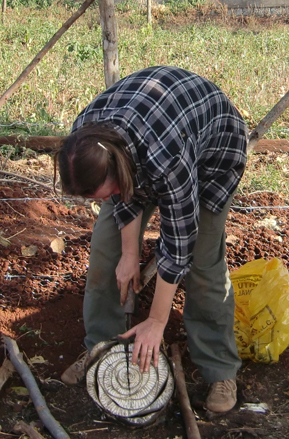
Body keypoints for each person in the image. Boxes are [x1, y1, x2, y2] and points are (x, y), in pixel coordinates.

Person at [54, 66, 247, 413]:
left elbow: (179, 240)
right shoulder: (83, 142)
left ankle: (219, 368)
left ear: (119, 171)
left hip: (211, 155)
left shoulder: (166, 156)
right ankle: (102, 350)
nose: (101, 199)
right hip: (149, 135)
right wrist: (128, 254)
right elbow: (121, 196)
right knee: (106, 254)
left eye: (105, 192)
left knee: (203, 263)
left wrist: (157, 321)